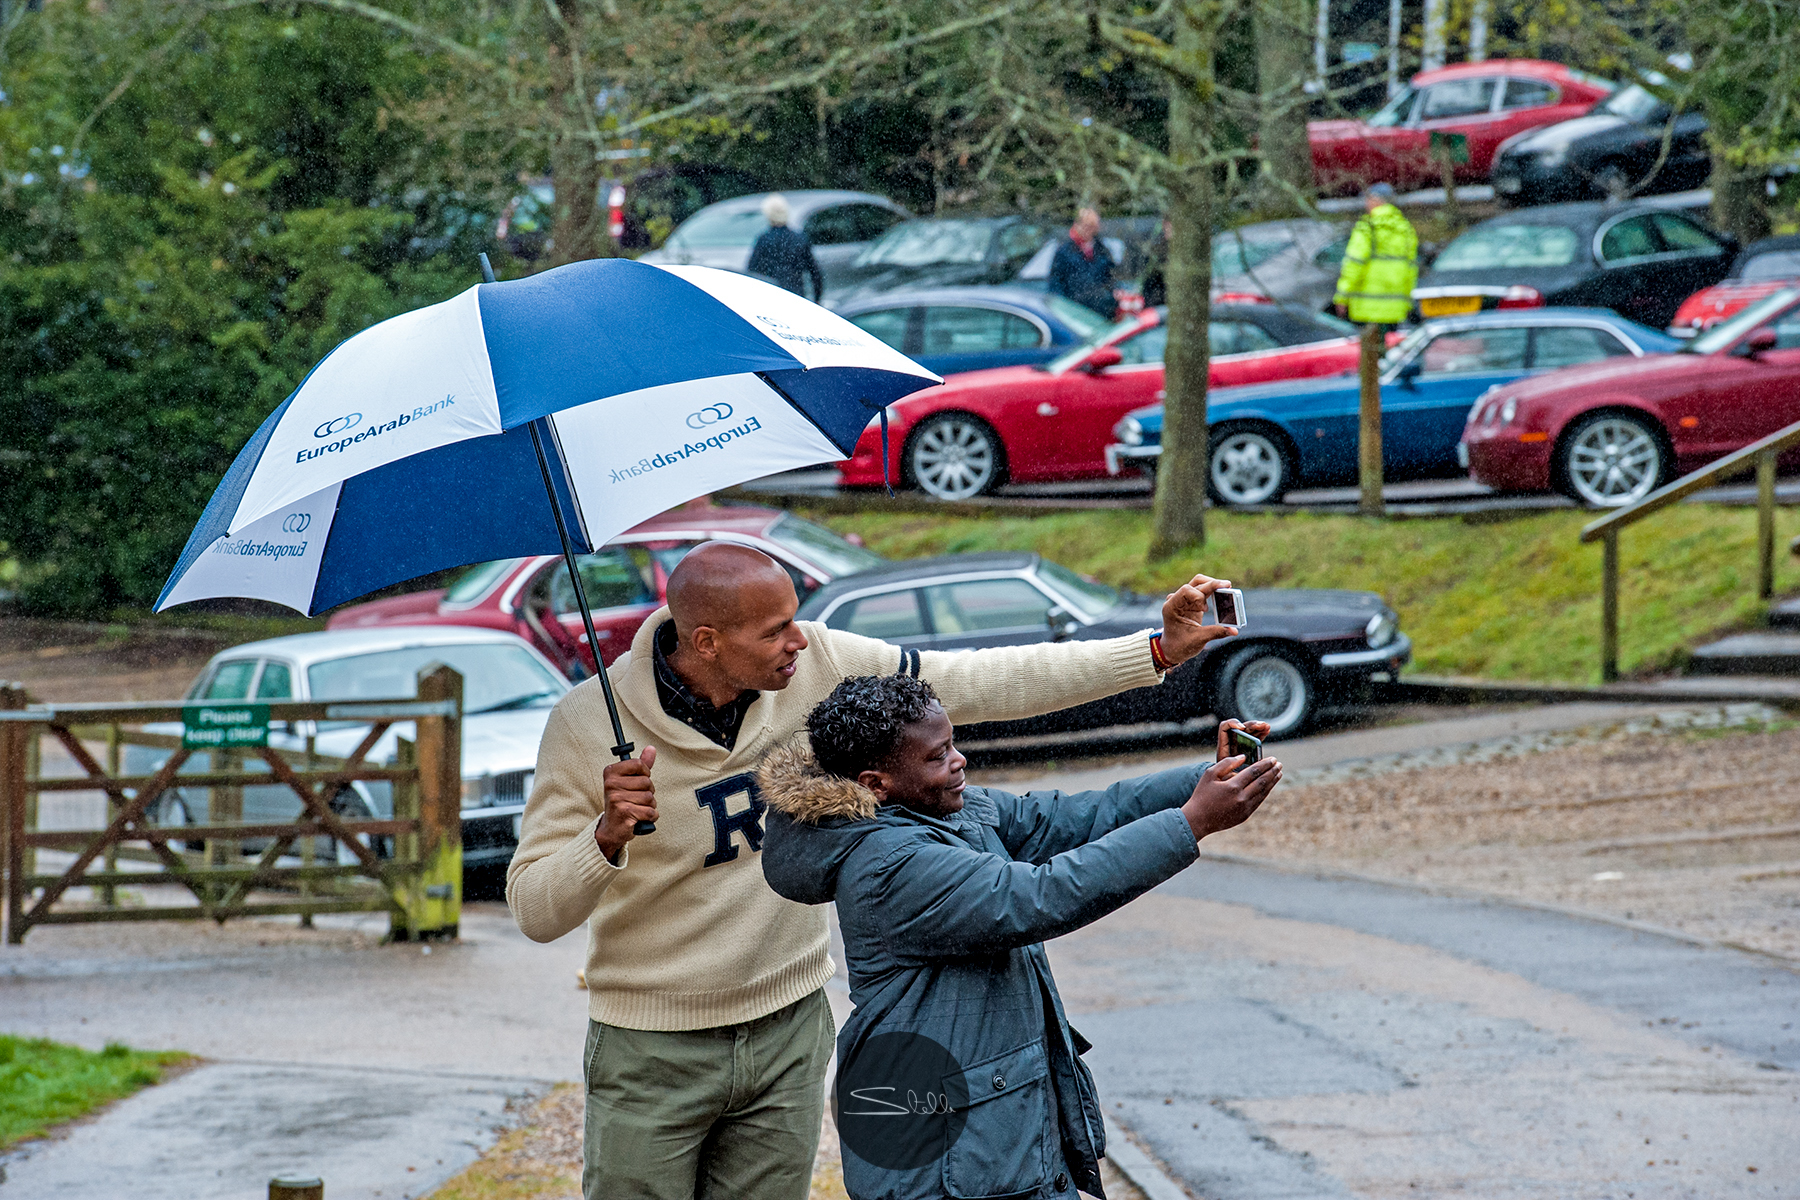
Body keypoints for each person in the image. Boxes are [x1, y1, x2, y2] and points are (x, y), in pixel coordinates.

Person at [507, 541, 1245, 1200]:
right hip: (653, 1045)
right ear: (706, 640)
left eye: (797, 619)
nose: (799, 640)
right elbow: (535, 909)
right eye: (774, 631)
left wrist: (1155, 651)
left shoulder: (817, 663)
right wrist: (604, 839)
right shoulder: (585, 725)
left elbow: (986, 681)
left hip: (789, 1026)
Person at [757, 676, 1281, 1200]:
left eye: (953, 744)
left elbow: (1077, 816)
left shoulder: (943, 810)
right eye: (938, 756)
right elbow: (1041, 896)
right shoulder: (890, 867)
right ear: (876, 783)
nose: (959, 761)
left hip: (988, 1125)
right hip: (946, 1150)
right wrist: (1190, 823)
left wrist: (1204, 780)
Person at [1332, 182, 1418, 325]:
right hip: (1395, 309)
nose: (1366, 204)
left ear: (1377, 201)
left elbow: (1354, 264)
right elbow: (1411, 270)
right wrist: (1408, 302)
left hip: (1366, 309)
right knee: (1389, 346)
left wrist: (1342, 297)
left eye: (1369, 199)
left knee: (1370, 345)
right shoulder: (1405, 229)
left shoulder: (1367, 228)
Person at [746, 194, 825, 302]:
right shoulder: (799, 238)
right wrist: (817, 300)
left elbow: (752, 272)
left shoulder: (764, 240)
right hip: (796, 295)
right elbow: (815, 273)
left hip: (771, 296)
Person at [1047, 207, 1117, 318]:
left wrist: (1112, 296)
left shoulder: (1101, 250)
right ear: (1077, 225)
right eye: (1085, 226)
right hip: (1075, 311)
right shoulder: (1065, 251)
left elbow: (1111, 278)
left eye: (1091, 227)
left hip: (1099, 311)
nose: (1087, 230)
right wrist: (1061, 309)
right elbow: (1056, 283)